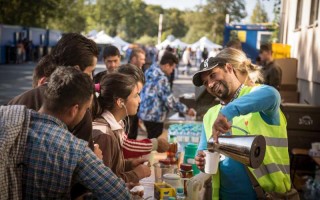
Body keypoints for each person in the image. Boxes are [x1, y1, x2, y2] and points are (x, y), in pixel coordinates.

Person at [0, 67, 130, 199]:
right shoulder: (74, 150)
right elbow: (120, 195)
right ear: (74, 110)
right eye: (86, 109)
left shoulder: (8, 120)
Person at [7, 33, 99, 199]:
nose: (92, 79)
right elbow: (83, 180)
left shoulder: (17, 101)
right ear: (77, 70)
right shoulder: (79, 109)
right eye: (91, 72)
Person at [193, 50, 291, 199]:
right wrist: (200, 159)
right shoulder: (210, 115)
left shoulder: (256, 95)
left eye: (213, 75)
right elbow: (203, 150)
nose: (211, 84)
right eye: (206, 83)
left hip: (266, 196)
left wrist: (227, 112)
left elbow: (272, 95)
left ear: (229, 68)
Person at [92, 73, 151, 183]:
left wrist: (129, 164)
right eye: (135, 95)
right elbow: (104, 185)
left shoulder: (114, 126)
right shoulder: (103, 135)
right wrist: (136, 174)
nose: (139, 100)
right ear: (120, 102)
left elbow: (110, 168)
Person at [117, 64, 169, 158]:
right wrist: (155, 144)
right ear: (120, 100)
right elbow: (126, 147)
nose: (140, 100)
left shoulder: (119, 121)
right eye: (136, 95)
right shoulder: (109, 125)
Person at [138, 52, 196, 139]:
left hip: (144, 113)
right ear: (167, 65)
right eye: (172, 68)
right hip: (155, 117)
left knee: (150, 141)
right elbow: (170, 101)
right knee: (155, 144)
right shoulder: (162, 79)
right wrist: (186, 110)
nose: (172, 71)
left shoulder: (149, 71)